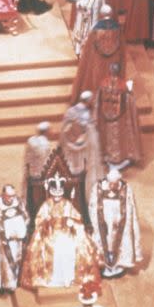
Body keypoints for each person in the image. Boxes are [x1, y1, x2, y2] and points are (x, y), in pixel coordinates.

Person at [20, 176, 101, 289]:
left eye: (59, 194)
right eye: (55, 193)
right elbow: (38, 220)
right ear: (51, 192)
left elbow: (77, 217)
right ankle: (53, 279)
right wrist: (46, 221)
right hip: (50, 233)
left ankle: (69, 278)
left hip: (66, 232)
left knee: (72, 248)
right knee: (50, 249)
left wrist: (71, 221)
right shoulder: (46, 205)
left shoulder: (67, 204)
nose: (57, 196)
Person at [88, 167, 143, 278]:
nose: (112, 186)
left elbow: (130, 207)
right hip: (103, 222)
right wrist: (98, 221)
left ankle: (118, 264)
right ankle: (104, 265)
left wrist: (121, 220)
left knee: (120, 241)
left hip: (119, 223)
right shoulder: (98, 188)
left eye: (115, 183)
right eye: (110, 183)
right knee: (104, 242)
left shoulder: (126, 188)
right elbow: (92, 206)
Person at [60, 91, 103, 219]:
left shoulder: (72, 111)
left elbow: (65, 130)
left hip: (77, 148)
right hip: (81, 149)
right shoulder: (82, 114)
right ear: (88, 100)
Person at [71, 4, 127, 101]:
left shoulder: (95, 30)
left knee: (96, 79)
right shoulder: (117, 30)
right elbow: (122, 50)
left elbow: (89, 50)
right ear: (111, 14)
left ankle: (95, 101)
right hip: (113, 63)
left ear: (101, 15)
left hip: (98, 62)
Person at [0, 184, 29, 295]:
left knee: (10, 262)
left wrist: (18, 229)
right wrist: (5, 230)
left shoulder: (18, 203)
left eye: (13, 195)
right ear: (3, 195)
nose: (11, 198)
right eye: (8, 196)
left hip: (14, 240)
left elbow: (25, 217)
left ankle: (9, 285)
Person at [94, 63, 143, 169]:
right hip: (120, 118)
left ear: (110, 70)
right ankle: (120, 158)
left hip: (105, 118)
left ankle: (107, 156)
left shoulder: (103, 83)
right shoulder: (123, 85)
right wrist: (131, 93)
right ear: (118, 71)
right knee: (119, 136)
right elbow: (128, 102)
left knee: (108, 136)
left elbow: (98, 101)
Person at [23, 120, 53, 219]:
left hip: (30, 171)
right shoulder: (46, 144)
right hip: (40, 174)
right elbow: (46, 161)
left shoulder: (31, 141)